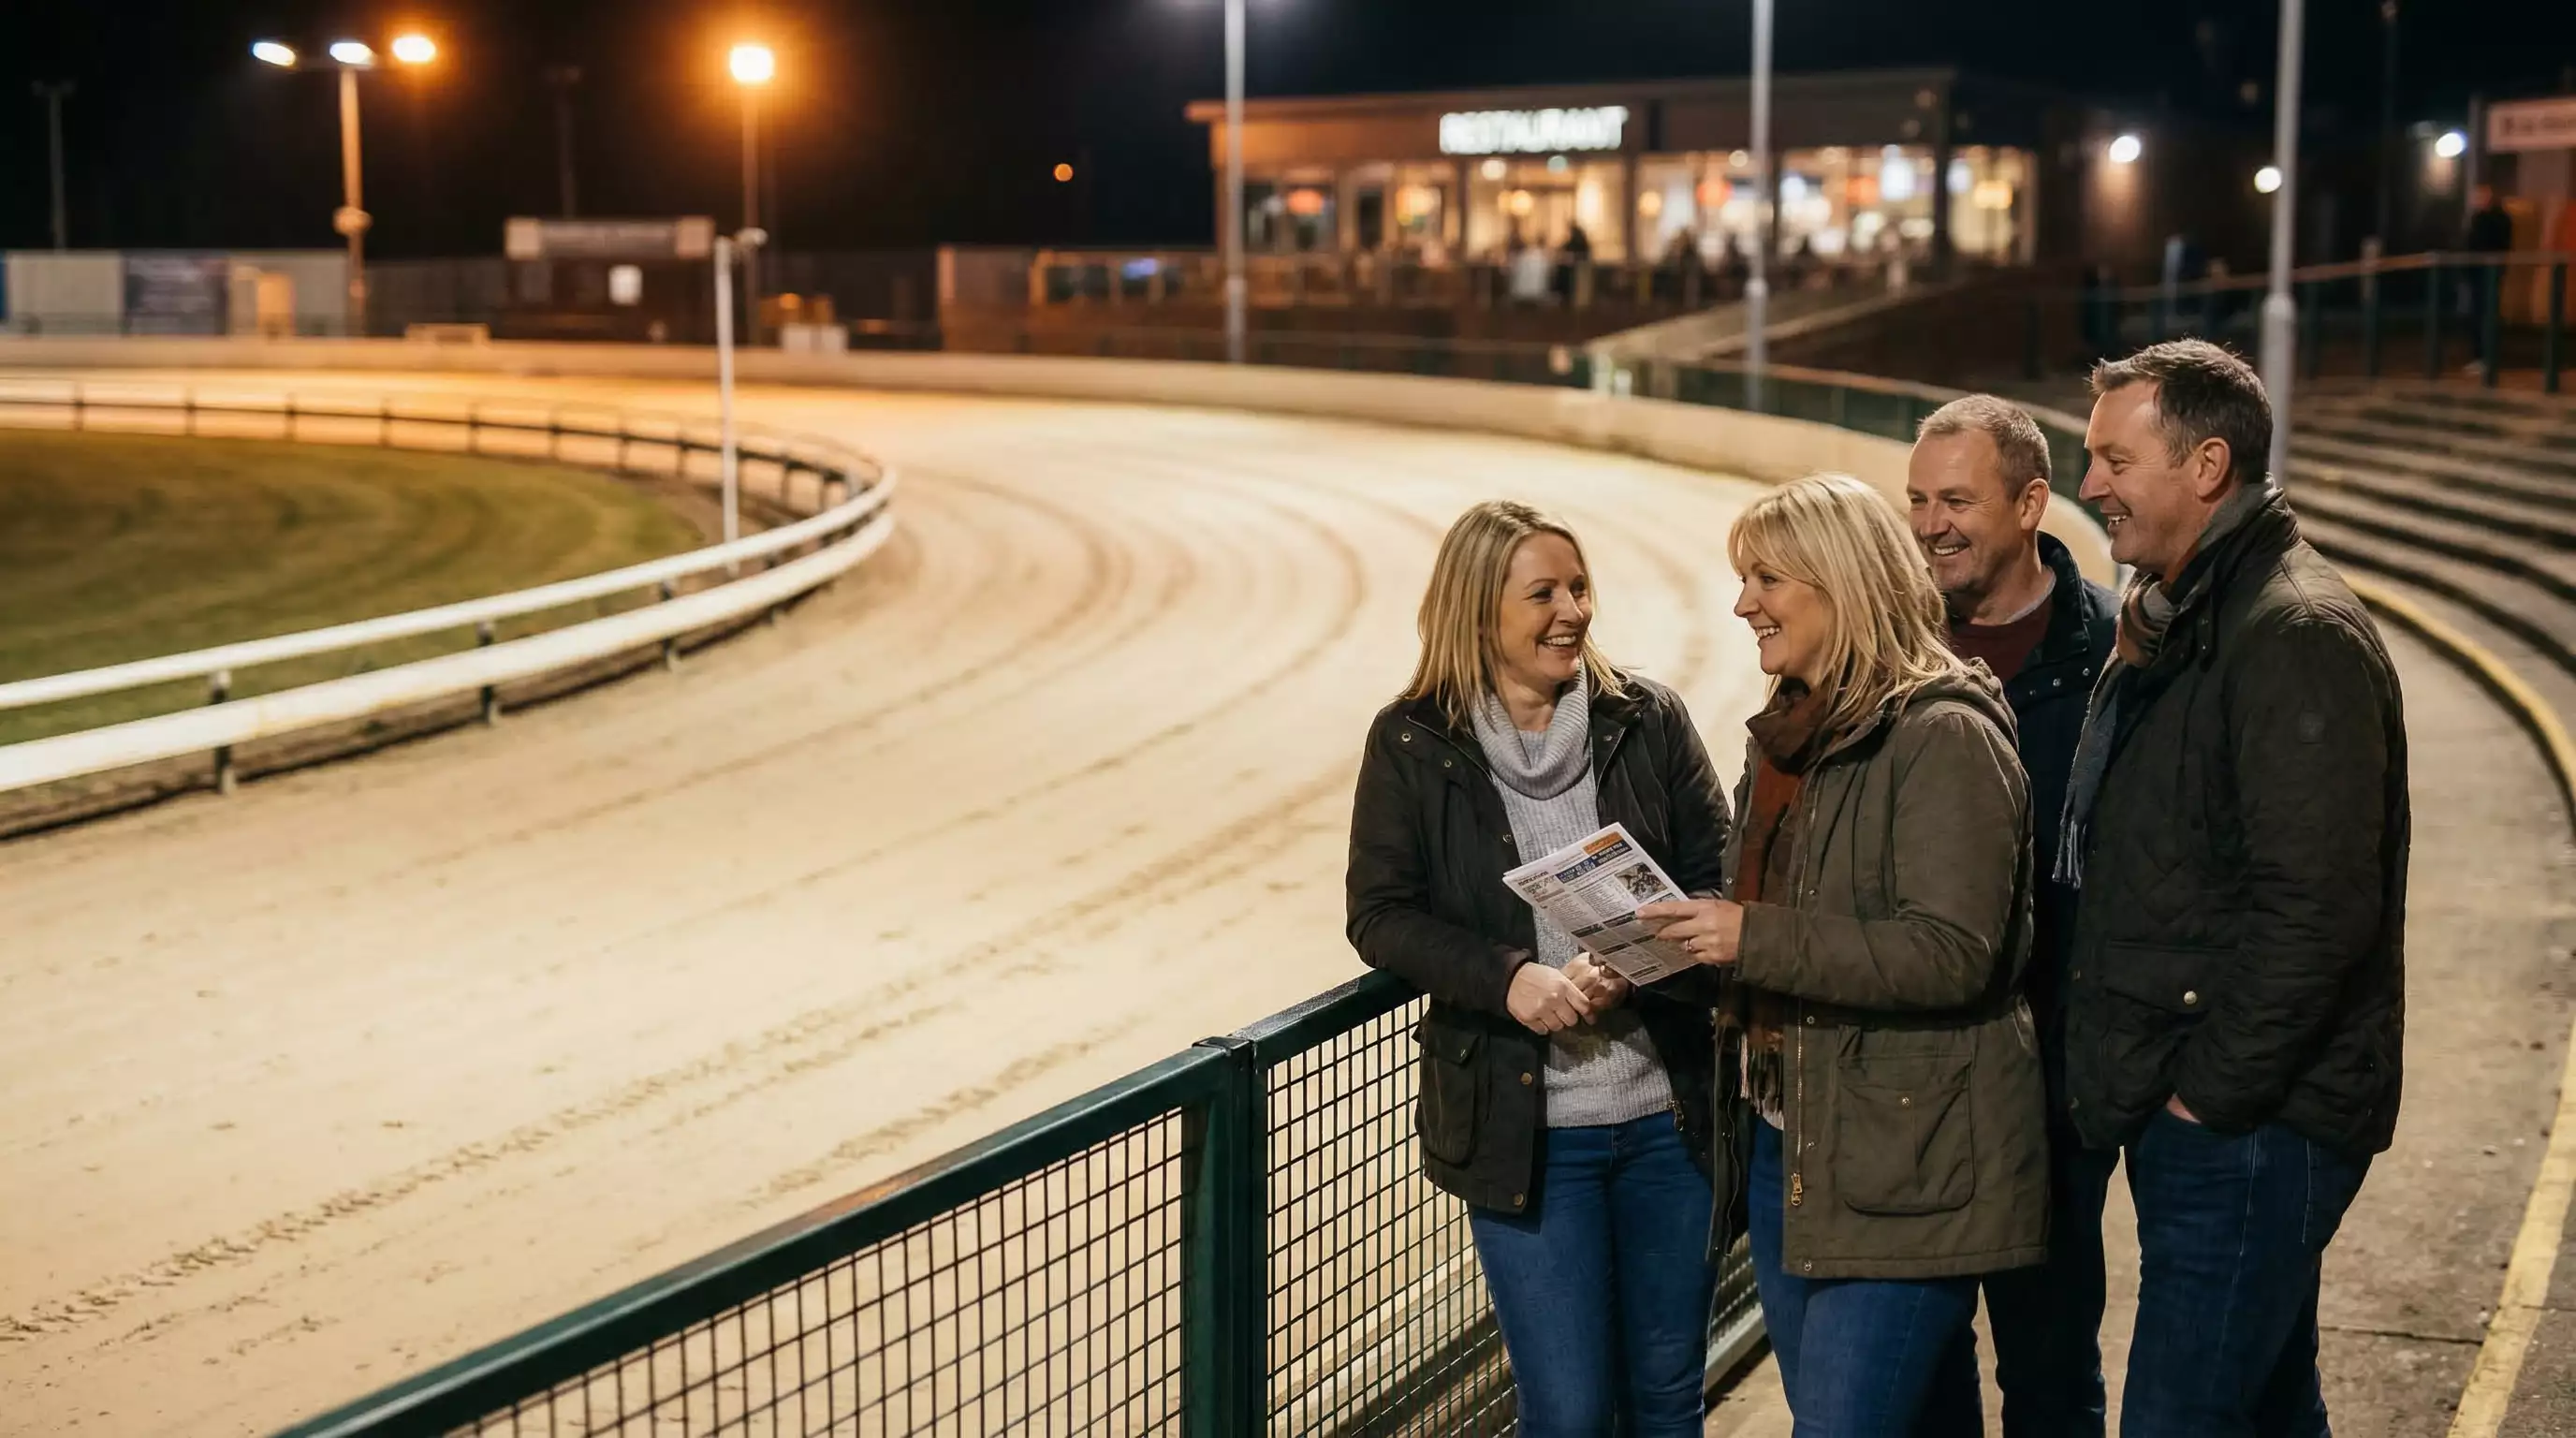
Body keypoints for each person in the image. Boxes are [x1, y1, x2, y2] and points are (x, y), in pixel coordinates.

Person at [1642, 472, 2049, 1437]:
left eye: (1768, 580)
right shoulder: (1788, 730)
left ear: (1840, 582)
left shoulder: (1942, 733)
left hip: (1908, 1166)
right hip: (1798, 1148)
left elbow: (1954, 954)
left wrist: (1752, 939)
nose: (1743, 603)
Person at [2062, 340, 2408, 1436]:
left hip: (2253, 1123)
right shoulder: (2189, 616)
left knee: (2177, 1416)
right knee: (2261, 1407)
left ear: (2206, 465)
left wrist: (2205, 1097)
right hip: (2219, 1112)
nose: (2089, 486)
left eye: (2114, 459)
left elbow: (2315, 909)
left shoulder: (2291, 633)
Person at [1345, 500, 1732, 1437]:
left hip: (1662, 1124)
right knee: (1564, 1414)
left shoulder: (1646, 718)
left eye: (1578, 586)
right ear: (1480, 615)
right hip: (1531, 1140)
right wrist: (1507, 977)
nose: (1572, 610)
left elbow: (1717, 872)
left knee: (1667, 1404)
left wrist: (1639, 963)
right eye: (1542, 594)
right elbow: (1380, 915)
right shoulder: (1412, 741)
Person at [1909, 396, 2121, 1437]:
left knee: (2047, 1370)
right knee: (1922, 1369)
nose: (1929, 524)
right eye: (1916, 500)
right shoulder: (1888, 648)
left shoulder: (2118, 661)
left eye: (1955, 499)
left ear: (2032, 502)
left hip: (2053, 1093)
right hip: (1913, 1087)